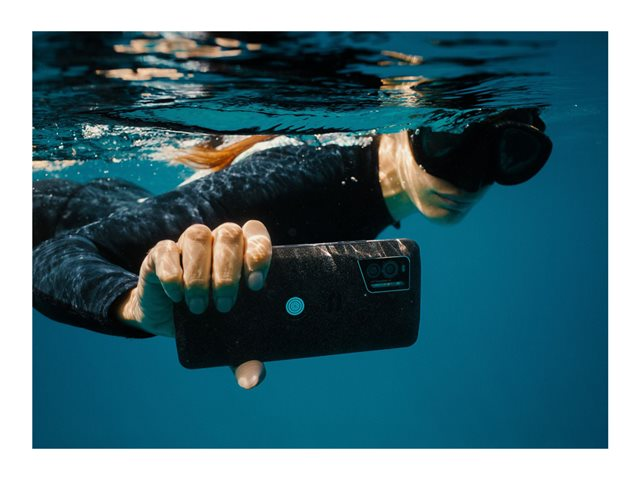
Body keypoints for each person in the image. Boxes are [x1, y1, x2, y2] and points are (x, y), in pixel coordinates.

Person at [32, 107, 552, 390]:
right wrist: (132, 306)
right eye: (450, 140)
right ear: (400, 123)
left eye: (509, 153)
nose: (470, 179)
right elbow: (53, 255)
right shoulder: (308, 177)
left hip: (104, 198)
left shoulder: (360, 188)